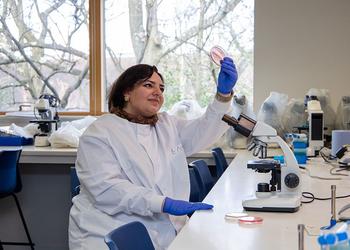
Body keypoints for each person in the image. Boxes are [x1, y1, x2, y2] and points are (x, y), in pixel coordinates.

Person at [68, 57, 238, 250]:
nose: (158, 92)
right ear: (126, 92)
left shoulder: (166, 124)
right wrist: (162, 203)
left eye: (162, 88)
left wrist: (222, 96)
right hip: (107, 232)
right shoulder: (100, 132)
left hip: (162, 230)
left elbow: (203, 130)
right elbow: (107, 189)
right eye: (149, 85)